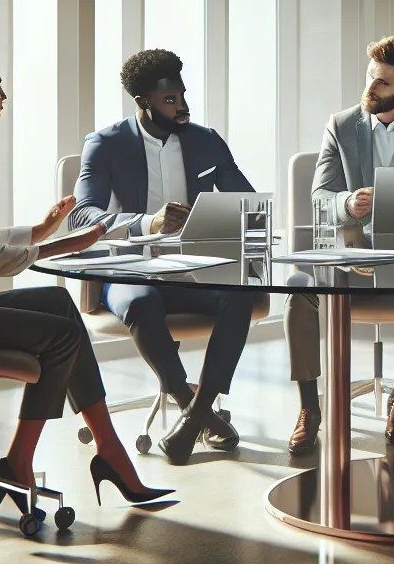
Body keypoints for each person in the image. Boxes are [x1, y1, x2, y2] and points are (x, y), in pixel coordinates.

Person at [0, 44, 171, 514]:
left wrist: (39, 231)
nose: (5, 95)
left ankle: (109, 451)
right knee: (62, 336)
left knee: (60, 308)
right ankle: (20, 461)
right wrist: (64, 245)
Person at [68, 49, 259, 466]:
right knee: (141, 303)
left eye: (183, 96)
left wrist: (234, 225)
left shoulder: (205, 140)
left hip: (190, 270)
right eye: (170, 100)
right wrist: (147, 223)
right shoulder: (105, 143)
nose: (182, 107)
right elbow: (81, 216)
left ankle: (192, 420)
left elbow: (248, 204)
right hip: (131, 270)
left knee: (240, 294)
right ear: (143, 102)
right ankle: (196, 407)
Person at [286, 36, 394, 452]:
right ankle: (310, 408)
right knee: (297, 289)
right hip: (348, 252)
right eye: (370, 77)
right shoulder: (341, 124)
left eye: (382, 83)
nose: (370, 89)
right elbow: (319, 198)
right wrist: (348, 203)